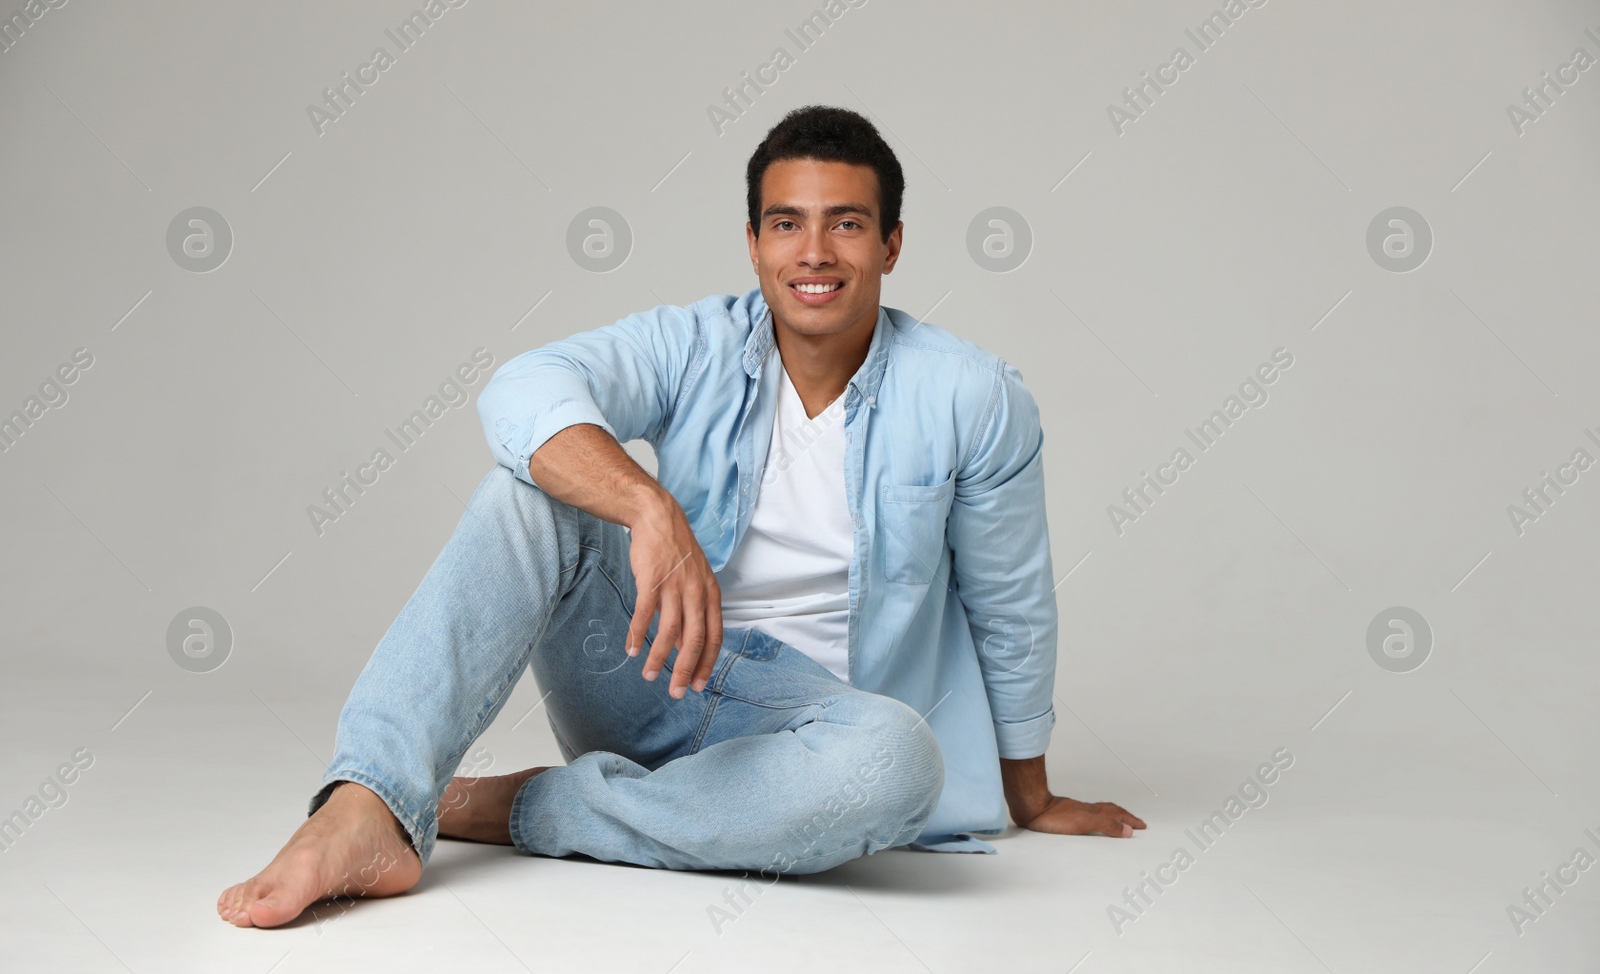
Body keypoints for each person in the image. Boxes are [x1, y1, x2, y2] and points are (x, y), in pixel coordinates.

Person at [218, 105, 1145, 929]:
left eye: (846, 225)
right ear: (752, 242)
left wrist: (1033, 792)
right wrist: (644, 501)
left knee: (901, 758)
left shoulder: (972, 395)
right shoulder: (694, 344)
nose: (814, 253)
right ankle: (364, 805)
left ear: (892, 245)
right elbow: (521, 391)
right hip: (652, 673)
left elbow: (1011, 598)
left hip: (817, 734)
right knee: (527, 490)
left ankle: (517, 808)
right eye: (787, 224)